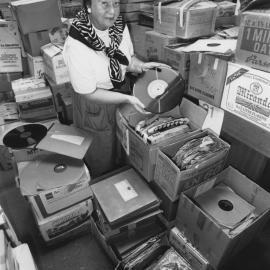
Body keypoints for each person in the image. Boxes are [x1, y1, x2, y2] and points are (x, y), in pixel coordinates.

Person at [63, 0, 163, 177]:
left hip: (121, 92)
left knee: (124, 149)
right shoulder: (77, 42)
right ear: (88, 6)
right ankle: (104, 193)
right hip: (94, 106)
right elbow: (89, 93)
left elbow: (126, 59)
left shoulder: (118, 26)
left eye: (116, 3)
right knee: (101, 157)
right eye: (104, 4)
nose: (112, 11)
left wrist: (141, 66)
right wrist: (128, 99)